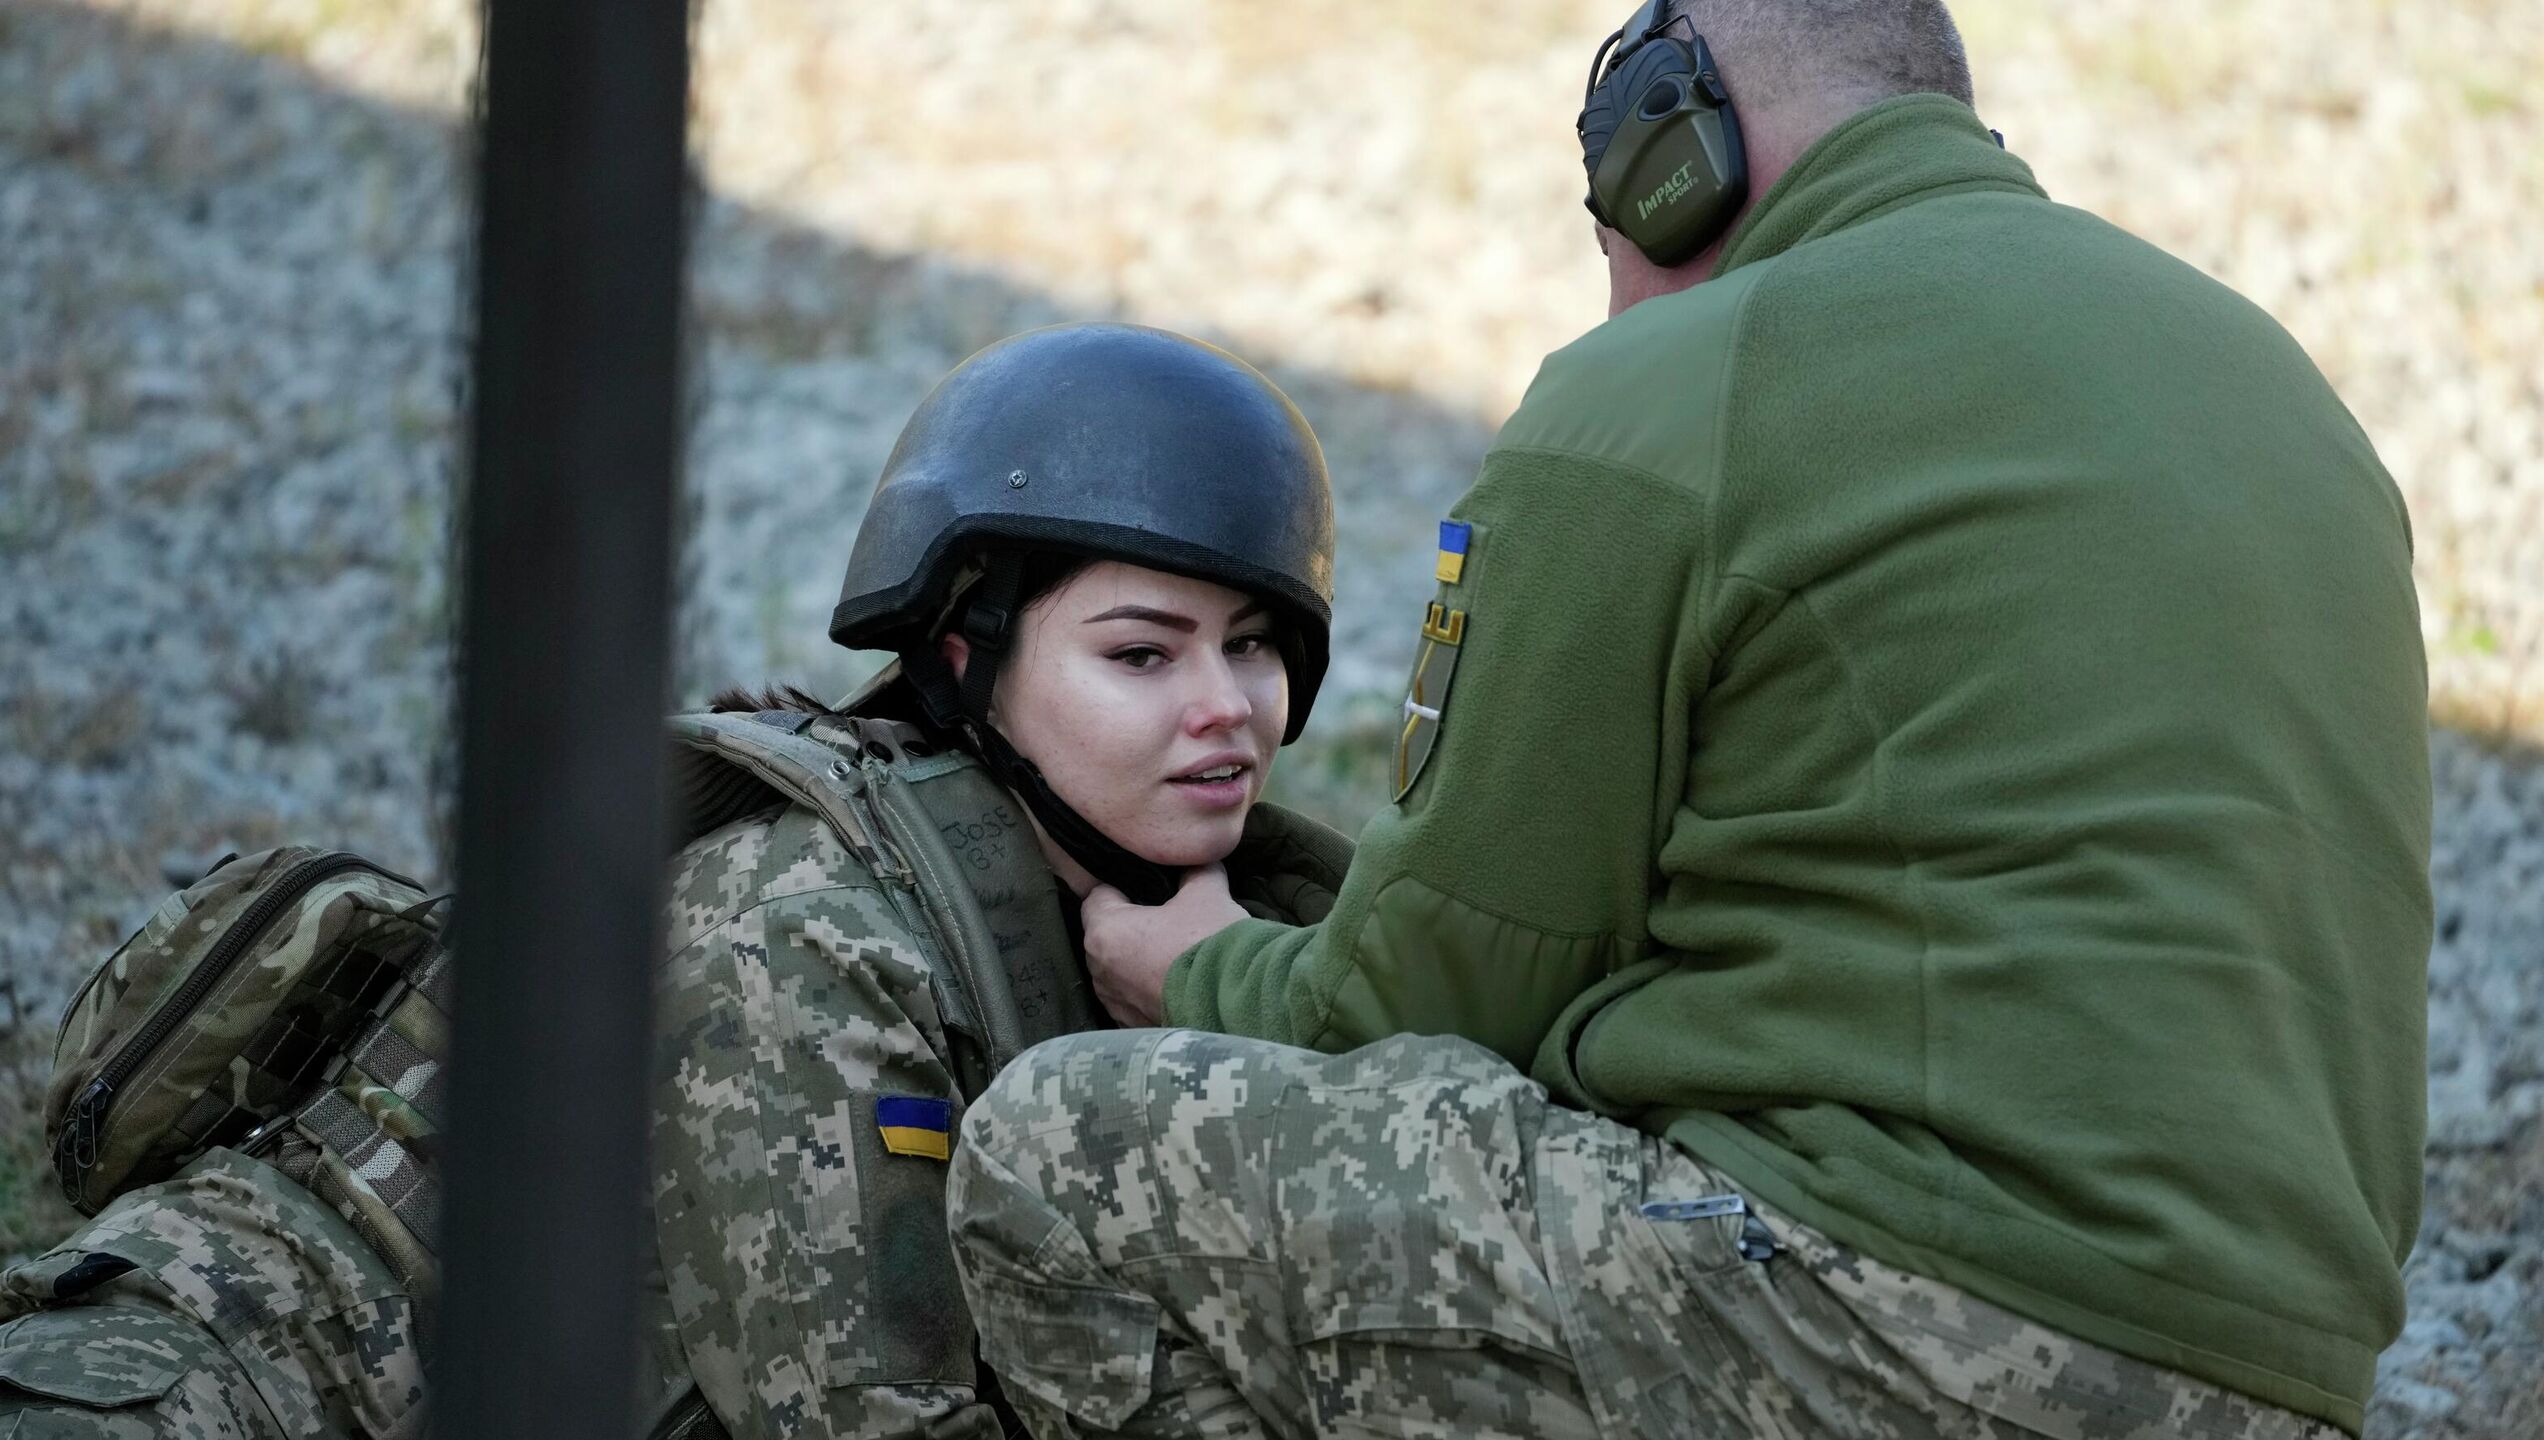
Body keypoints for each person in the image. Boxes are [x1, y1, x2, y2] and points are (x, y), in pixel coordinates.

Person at [945, 5, 2430, 1440]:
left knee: (1055, 1152)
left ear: (1673, 144)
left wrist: (1202, 970)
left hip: (1902, 1328)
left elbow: (1427, 994)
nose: (1609, 291)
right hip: (2286, 1376)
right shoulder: (2279, 387)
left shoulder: (1678, 382)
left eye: (1608, 229)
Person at [0, 322, 1354, 1440]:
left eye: (1254, 645)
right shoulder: (797, 933)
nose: (1227, 707)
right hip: (221, 1387)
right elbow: (865, 1424)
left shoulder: (1223, 925)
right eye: (1141, 654)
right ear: (959, 656)